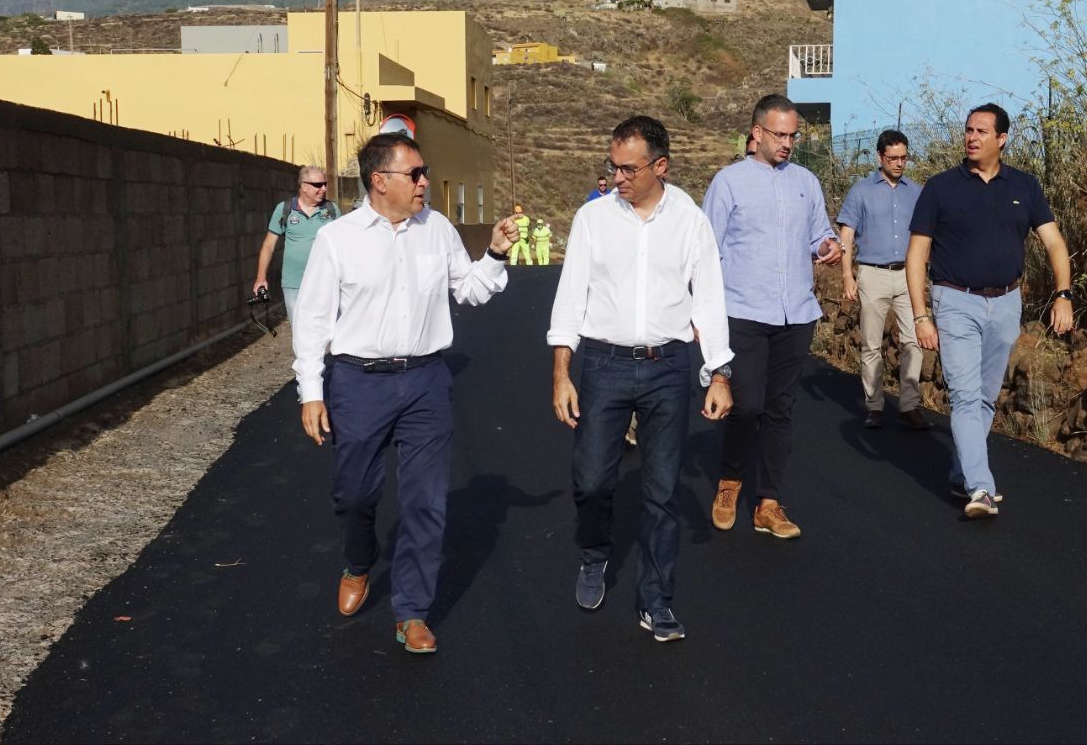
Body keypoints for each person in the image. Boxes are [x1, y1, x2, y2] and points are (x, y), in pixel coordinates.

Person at [293, 132, 520, 654]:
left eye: (423, 173)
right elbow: (311, 322)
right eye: (414, 174)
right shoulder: (339, 239)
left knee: (425, 501)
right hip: (357, 382)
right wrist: (311, 392)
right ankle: (358, 561)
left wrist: (496, 254)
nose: (424, 183)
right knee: (355, 493)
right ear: (379, 181)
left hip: (425, 382)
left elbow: (470, 289)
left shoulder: (436, 230)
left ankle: (412, 612)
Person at [549, 115, 733, 643]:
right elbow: (570, 297)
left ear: (661, 166)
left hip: (669, 367)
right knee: (590, 479)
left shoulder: (691, 221)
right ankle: (594, 552)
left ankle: (657, 600)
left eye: (629, 168)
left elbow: (711, 300)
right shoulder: (593, 219)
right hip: (603, 364)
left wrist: (718, 372)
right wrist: (563, 372)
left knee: (662, 490)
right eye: (613, 166)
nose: (618, 177)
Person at [906, 103, 1073, 519]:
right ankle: (981, 488)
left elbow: (1054, 243)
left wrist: (1064, 294)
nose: (972, 137)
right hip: (954, 300)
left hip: (1005, 303)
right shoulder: (941, 187)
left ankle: (962, 472)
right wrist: (921, 314)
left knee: (984, 397)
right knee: (964, 395)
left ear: (1002, 138)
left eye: (982, 130)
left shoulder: (1025, 186)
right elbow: (917, 255)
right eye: (968, 129)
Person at [702, 94, 843, 540]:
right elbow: (707, 251)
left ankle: (768, 502)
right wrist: (703, 314)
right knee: (747, 407)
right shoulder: (728, 182)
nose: (787, 143)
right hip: (742, 309)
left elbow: (819, 231)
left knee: (781, 410)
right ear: (757, 132)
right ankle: (729, 483)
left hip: (795, 312)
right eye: (779, 135)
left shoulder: (806, 181)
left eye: (793, 135)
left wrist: (826, 245)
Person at [837, 129, 929, 430]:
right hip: (872, 274)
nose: (899, 163)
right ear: (880, 157)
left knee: (914, 341)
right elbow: (847, 235)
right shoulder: (860, 191)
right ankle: (874, 406)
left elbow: (927, 234)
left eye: (903, 158)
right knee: (871, 344)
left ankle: (909, 404)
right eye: (893, 158)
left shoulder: (916, 192)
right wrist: (847, 276)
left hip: (908, 276)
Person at [252, 165, 339, 330]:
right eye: (318, 185)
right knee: (300, 331)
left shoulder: (332, 210)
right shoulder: (284, 210)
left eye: (325, 184)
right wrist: (261, 277)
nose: (324, 188)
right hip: (294, 284)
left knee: (329, 330)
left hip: (326, 282)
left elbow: (344, 245)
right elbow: (269, 245)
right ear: (304, 186)